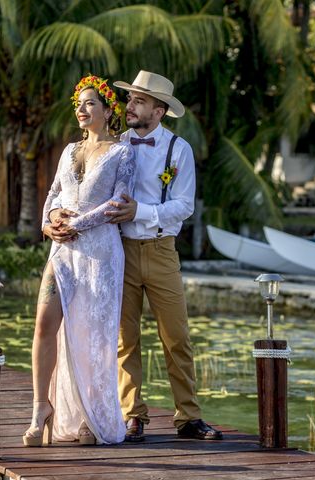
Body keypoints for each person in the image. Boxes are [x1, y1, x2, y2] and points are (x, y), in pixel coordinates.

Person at [104, 70, 223, 442]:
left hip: (161, 251)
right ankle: (131, 415)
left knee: (176, 338)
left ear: (158, 111)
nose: (130, 106)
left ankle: (188, 418)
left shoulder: (178, 149)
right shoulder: (114, 143)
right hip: (119, 252)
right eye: (130, 99)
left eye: (139, 101)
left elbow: (184, 206)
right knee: (125, 339)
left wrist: (140, 211)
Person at [22, 75, 136, 447]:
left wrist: (77, 223)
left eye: (90, 103)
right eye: (79, 104)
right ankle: (41, 408)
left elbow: (119, 201)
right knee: (44, 325)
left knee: (93, 337)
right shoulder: (69, 150)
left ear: (107, 110)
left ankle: (91, 415)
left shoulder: (123, 152)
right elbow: (54, 193)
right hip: (63, 251)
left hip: (101, 253)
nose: (82, 110)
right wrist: (48, 222)